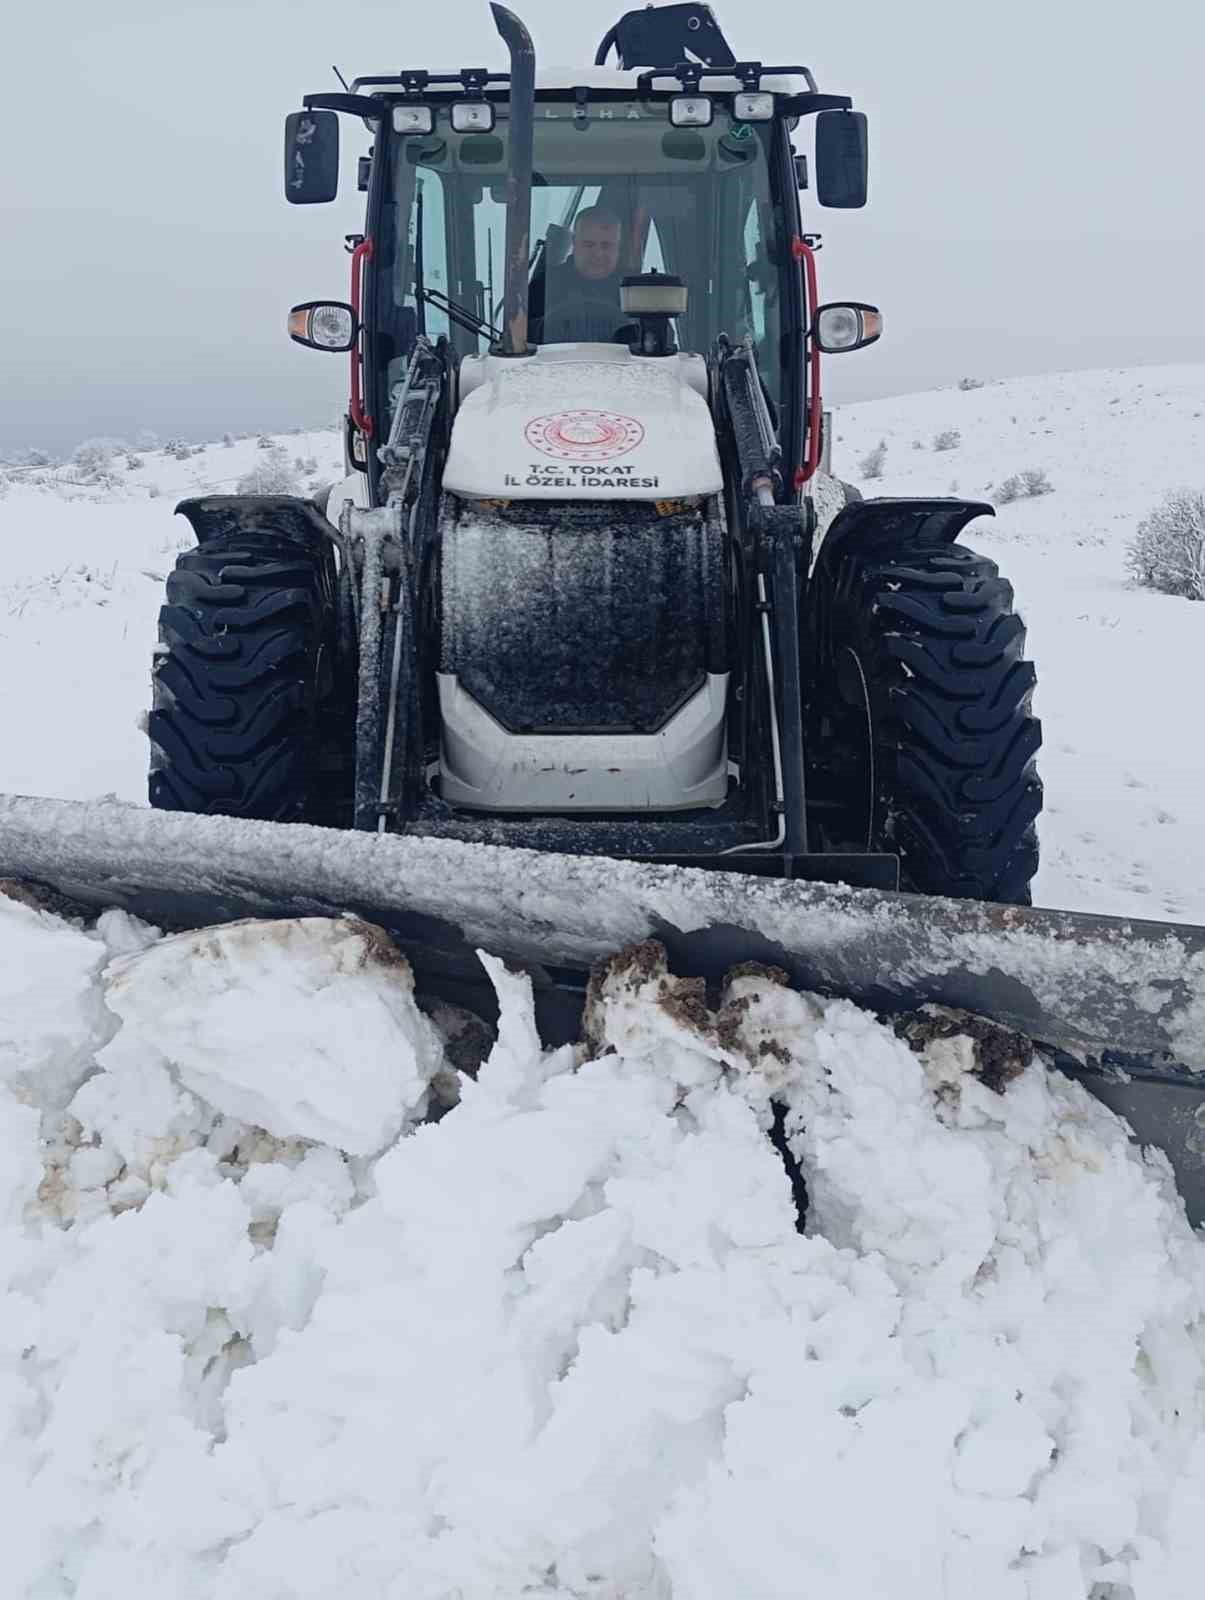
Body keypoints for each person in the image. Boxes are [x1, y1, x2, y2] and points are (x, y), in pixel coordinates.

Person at [538, 206, 628, 343]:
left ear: (619, 248)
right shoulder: (543, 286)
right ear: (574, 243)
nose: (598, 254)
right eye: (589, 245)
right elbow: (519, 340)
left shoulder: (635, 291)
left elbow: (660, 343)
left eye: (606, 246)